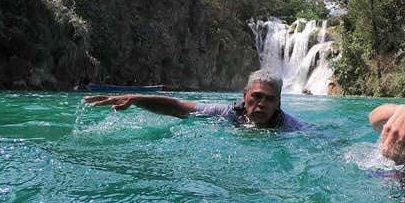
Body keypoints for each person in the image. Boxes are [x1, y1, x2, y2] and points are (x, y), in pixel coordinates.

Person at [84, 69, 307, 131]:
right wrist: (136, 99)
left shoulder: (291, 127)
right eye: (256, 96)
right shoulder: (228, 113)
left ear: (279, 103)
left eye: (270, 99)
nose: (262, 104)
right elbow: (179, 107)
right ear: (245, 96)